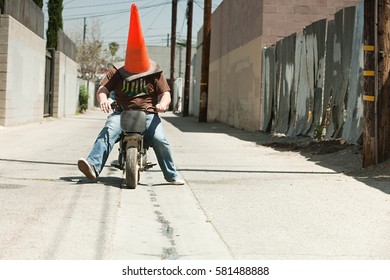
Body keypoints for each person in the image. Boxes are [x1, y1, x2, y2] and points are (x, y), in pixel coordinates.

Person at [77, 3, 184, 185]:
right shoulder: (117, 71)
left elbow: (165, 93)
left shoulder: (155, 72)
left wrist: (163, 104)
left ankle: (171, 175)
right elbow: (103, 89)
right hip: (121, 113)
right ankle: (93, 167)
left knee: (161, 140)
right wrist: (103, 99)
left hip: (149, 114)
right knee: (108, 132)